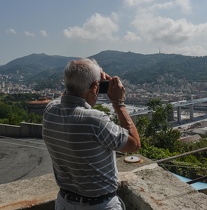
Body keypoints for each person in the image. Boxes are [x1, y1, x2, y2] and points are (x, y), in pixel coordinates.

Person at [42, 58, 141, 210]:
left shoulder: (50, 111)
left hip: (63, 203)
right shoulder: (94, 120)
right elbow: (134, 144)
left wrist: (86, 81)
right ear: (96, 86)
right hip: (99, 205)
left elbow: (65, 97)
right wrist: (118, 103)